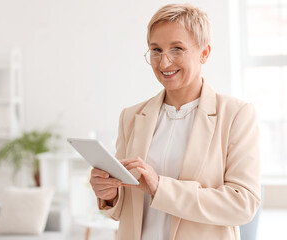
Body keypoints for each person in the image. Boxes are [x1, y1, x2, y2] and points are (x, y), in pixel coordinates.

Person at [89, 3, 261, 240]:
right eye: (156, 50)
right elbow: (125, 209)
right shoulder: (130, 117)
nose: (164, 63)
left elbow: (244, 204)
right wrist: (109, 195)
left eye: (177, 49)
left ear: (204, 53)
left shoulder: (236, 115)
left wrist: (160, 187)